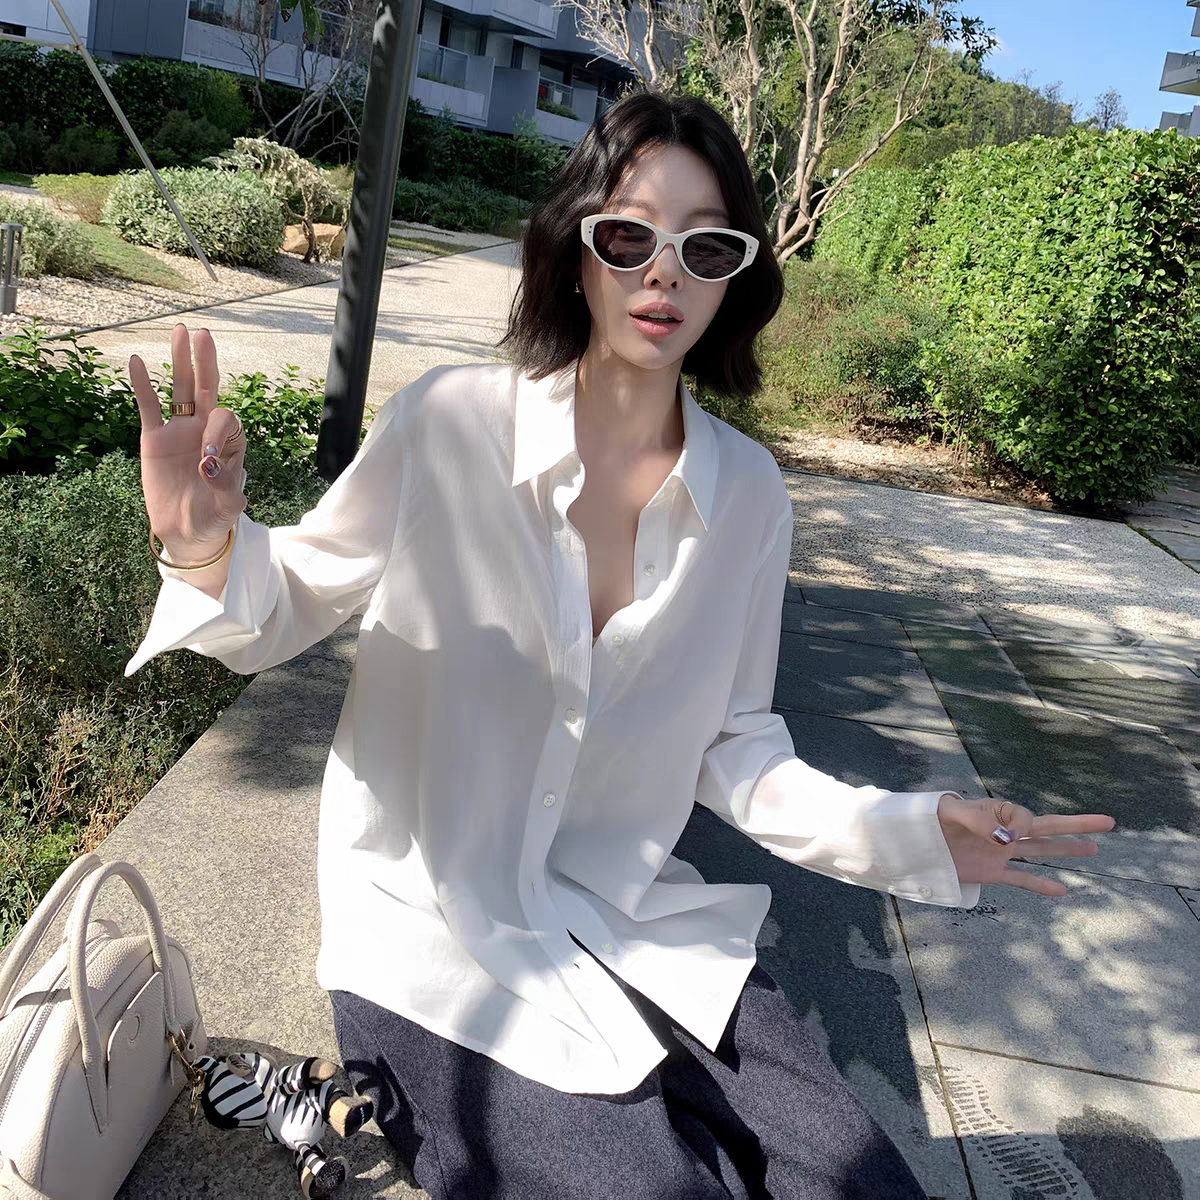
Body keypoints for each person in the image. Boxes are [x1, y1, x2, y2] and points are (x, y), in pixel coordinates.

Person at [125, 91, 1116, 1200]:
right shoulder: (450, 424)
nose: (665, 272)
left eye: (706, 246)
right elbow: (288, 599)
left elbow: (736, 746)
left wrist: (909, 832)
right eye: (630, 236)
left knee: (869, 1187)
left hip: (631, 917)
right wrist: (204, 547)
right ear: (577, 252)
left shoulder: (748, 495)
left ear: (735, 277)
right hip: (431, 935)